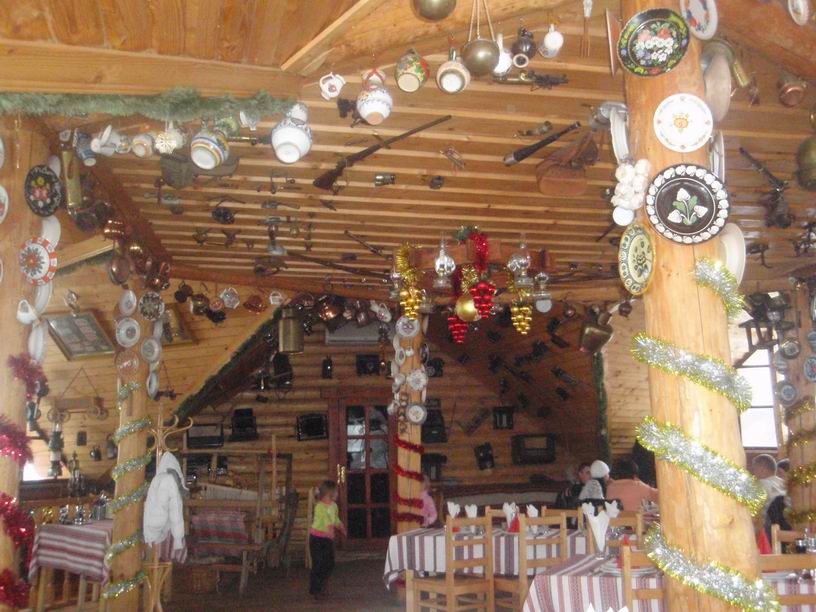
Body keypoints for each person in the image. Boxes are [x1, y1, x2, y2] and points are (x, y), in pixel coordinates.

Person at [309, 480, 346, 600]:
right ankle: (316, 590)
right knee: (318, 563)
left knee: (329, 563)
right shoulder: (319, 506)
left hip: (327, 539)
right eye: (336, 492)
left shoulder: (334, 506)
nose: (337, 494)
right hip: (317, 538)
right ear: (329, 493)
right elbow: (325, 519)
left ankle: (324, 584)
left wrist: (340, 526)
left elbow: (334, 518)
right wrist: (329, 529)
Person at [752, 454, 787, 525]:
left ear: (762, 470)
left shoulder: (760, 484)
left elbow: (751, 510)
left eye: (754, 469)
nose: (753, 473)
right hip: (787, 525)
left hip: (768, 527)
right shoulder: (784, 483)